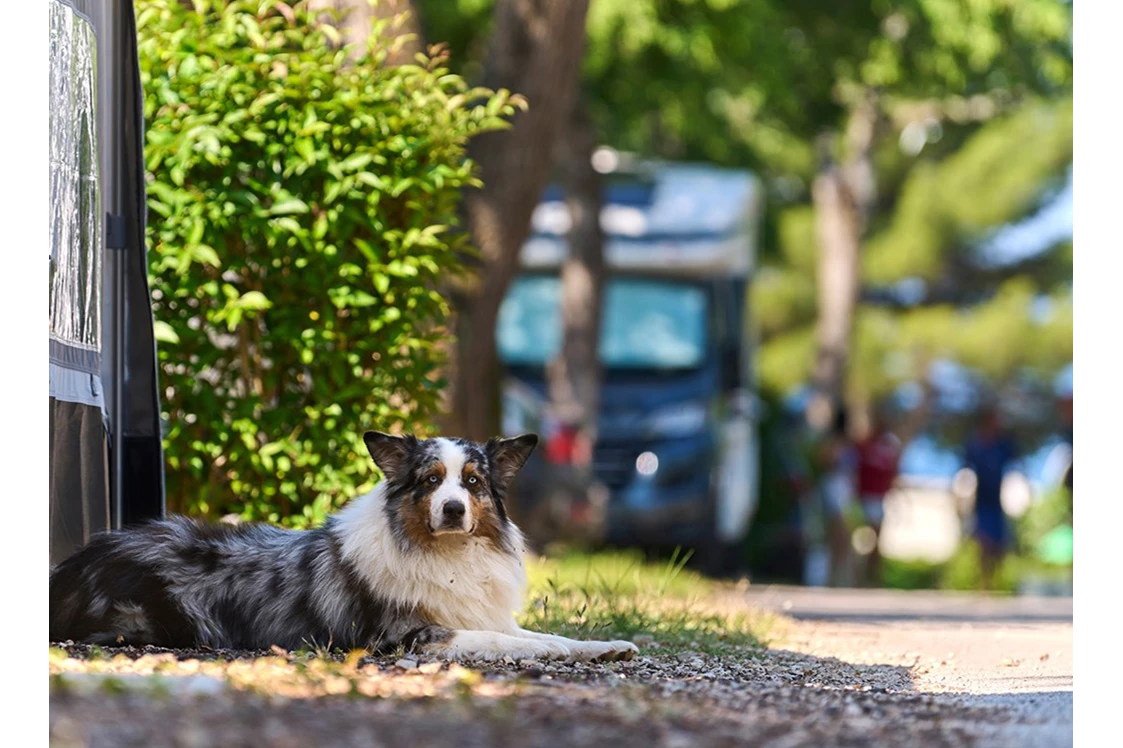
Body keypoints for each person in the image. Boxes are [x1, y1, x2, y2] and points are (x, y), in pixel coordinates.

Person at [963, 405, 1019, 591]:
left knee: (1000, 544)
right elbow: (966, 470)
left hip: (1000, 500)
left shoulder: (1004, 443)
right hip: (981, 500)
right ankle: (985, 583)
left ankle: (996, 581)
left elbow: (1015, 466)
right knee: (984, 541)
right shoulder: (975, 443)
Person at [854, 405, 902, 586]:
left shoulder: (890, 445)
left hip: (879, 498)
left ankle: (872, 577)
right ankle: (858, 577)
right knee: (862, 539)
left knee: (877, 538)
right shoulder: (865, 444)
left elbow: (894, 471)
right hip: (863, 498)